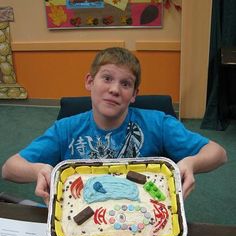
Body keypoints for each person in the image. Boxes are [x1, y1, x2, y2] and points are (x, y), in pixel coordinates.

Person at [2, 47, 227, 205]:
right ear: (90, 82)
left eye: (125, 84)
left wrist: (191, 162)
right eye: (107, 78)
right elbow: (9, 168)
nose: (115, 89)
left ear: (134, 95)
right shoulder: (66, 129)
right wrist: (38, 169)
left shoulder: (157, 123)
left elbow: (219, 153)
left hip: (139, 211)